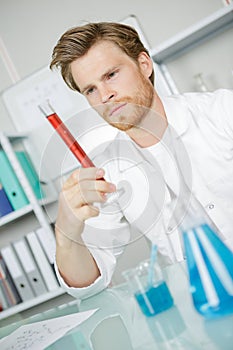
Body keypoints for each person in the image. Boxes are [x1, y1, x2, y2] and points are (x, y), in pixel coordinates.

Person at [49, 22, 233, 299]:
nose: (104, 96)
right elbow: (87, 284)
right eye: (90, 90)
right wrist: (66, 232)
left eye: (111, 75)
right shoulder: (107, 171)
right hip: (208, 300)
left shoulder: (222, 112)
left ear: (144, 64)